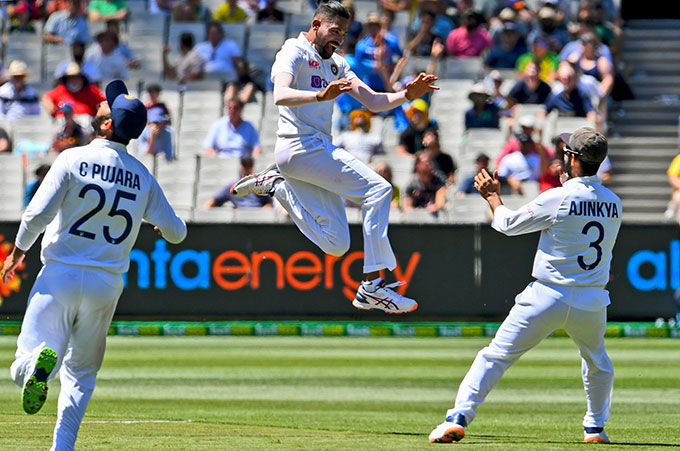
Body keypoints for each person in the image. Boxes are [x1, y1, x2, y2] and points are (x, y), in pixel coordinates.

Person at [0, 80, 187, 451]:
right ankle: (62, 447)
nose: (102, 103)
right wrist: (154, 221)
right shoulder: (142, 176)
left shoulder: (72, 158)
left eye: (107, 106)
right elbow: (177, 233)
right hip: (106, 285)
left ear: (105, 125)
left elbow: (37, 214)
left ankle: (38, 364)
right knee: (82, 374)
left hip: (60, 273)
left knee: (22, 363)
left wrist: (18, 252)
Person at [231, 0, 438, 313]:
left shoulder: (337, 64)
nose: (339, 37)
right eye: (334, 30)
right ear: (316, 25)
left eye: (344, 33)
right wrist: (321, 95)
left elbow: (373, 100)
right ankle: (371, 286)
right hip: (300, 146)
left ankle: (277, 186)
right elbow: (279, 95)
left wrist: (407, 94)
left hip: (308, 157)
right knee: (379, 190)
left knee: (336, 244)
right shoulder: (294, 50)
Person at [429, 127, 621, 445]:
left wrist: (492, 196)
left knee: (495, 357)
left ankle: (458, 417)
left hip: (548, 294)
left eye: (566, 151)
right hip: (591, 300)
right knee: (598, 363)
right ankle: (595, 429)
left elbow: (507, 224)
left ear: (572, 159)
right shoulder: (614, 202)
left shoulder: (558, 197)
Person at [194, 21, 255, 103]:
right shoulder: (200, 48)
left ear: (221, 34)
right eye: (211, 33)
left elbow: (238, 62)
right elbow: (193, 65)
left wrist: (240, 68)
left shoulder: (230, 45)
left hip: (227, 81)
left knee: (233, 88)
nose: (213, 36)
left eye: (216, 33)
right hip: (206, 81)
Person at [203, 156, 273, 209]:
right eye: (245, 165)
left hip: (258, 220)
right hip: (239, 221)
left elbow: (269, 203)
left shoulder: (261, 184)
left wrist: (261, 214)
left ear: (252, 166)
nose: (247, 168)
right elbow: (212, 201)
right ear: (241, 166)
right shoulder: (233, 186)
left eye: (249, 165)